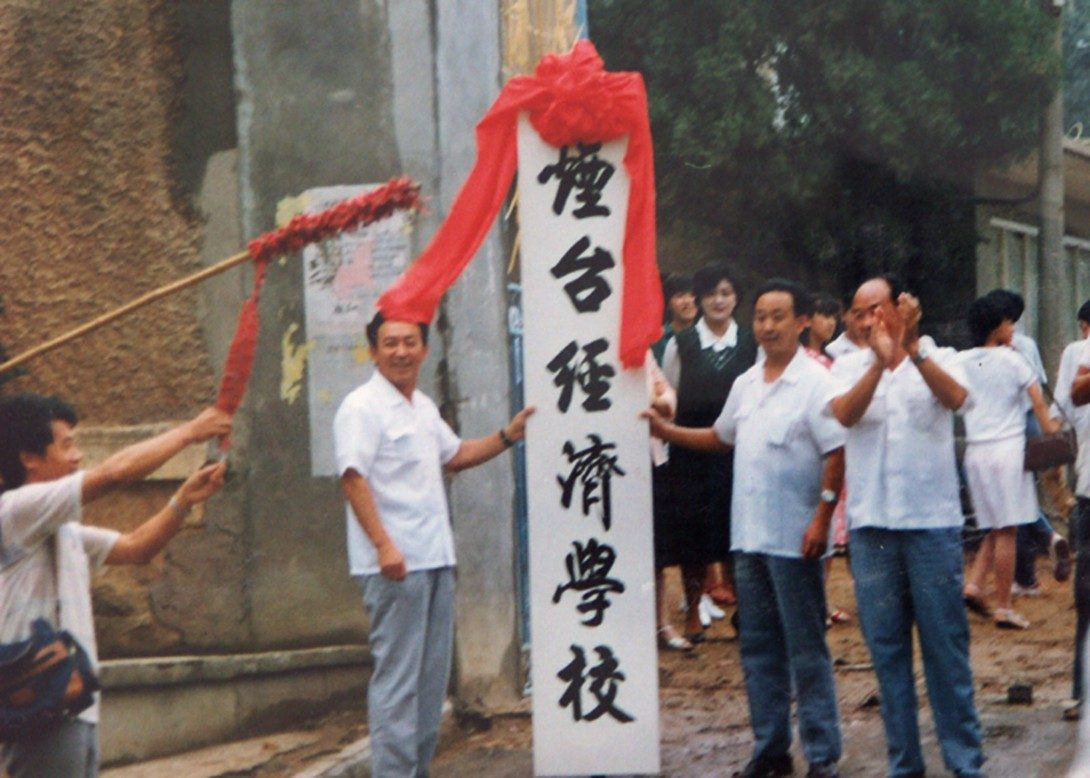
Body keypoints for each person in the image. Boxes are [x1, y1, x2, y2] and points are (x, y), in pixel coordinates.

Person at [648, 279, 845, 778]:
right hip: (749, 539)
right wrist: (666, 432)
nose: (768, 326)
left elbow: (836, 452)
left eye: (778, 316)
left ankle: (822, 755)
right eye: (760, 317)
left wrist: (821, 518)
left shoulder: (816, 383)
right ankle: (770, 750)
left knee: (806, 649)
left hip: (796, 540)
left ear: (802, 322)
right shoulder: (747, 382)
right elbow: (721, 437)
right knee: (757, 648)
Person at [333, 312, 533, 777]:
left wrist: (509, 435)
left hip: (435, 559)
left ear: (425, 350)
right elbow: (353, 478)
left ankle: (415, 770)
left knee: (428, 684)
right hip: (394, 567)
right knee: (398, 683)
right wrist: (384, 545)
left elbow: (456, 454)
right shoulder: (361, 407)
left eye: (410, 342)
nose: (401, 352)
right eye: (390, 343)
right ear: (373, 351)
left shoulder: (421, 406)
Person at [0, 394, 232, 777]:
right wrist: (191, 432)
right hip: (42, 706)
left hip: (74, 704)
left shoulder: (60, 530)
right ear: (29, 457)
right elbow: (115, 473)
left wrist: (183, 500)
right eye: (66, 445)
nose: (77, 456)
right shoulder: (15, 510)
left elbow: (136, 547)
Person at [830, 276, 984, 778]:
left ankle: (965, 763)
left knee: (946, 650)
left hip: (930, 526)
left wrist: (911, 350)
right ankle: (905, 766)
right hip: (872, 529)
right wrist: (878, 363)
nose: (867, 321)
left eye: (876, 309)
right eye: (858, 313)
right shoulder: (847, 365)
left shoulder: (940, 355)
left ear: (901, 308)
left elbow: (957, 398)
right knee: (888, 654)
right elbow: (845, 415)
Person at [661, 263, 758, 641]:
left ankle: (746, 614)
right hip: (690, 454)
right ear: (699, 299)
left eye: (726, 293)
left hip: (737, 452)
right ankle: (693, 613)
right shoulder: (681, 343)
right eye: (711, 294)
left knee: (738, 532)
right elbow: (669, 393)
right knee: (693, 536)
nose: (719, 301)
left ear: (736, 298)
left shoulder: (750, 342)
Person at [958, 294, 1058, 629]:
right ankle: (1004, 606)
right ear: (996, 326)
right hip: (1007, 451)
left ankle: (974, 585)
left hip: (976, 452)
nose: (1012, 327)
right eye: (1008, 322)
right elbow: (1039, 404)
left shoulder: (963, 360)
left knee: (995, 525)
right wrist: (1053, 435)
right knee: (1007, 530)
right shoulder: (1015, 360)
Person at [986, 289, 1073, 596]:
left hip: (1006, 427)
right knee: (1022, 495)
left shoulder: (990, 351)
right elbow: (1041, 385)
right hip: (1031, 423)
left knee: (1012, 502)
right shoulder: (1027, 344)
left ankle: (1028, 571)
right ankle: (1035, 563)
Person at [651, 273, 698, 366]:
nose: (687, 301)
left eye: (692, 295)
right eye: (680, 296)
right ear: (668, 304)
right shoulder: (657, 339)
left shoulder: (705, 335)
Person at [802, 293, 841, 368]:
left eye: (835, 318)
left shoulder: (832, 359)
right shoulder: (794, 355)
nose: (832, 323)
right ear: (808, 320)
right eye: (826, 316)